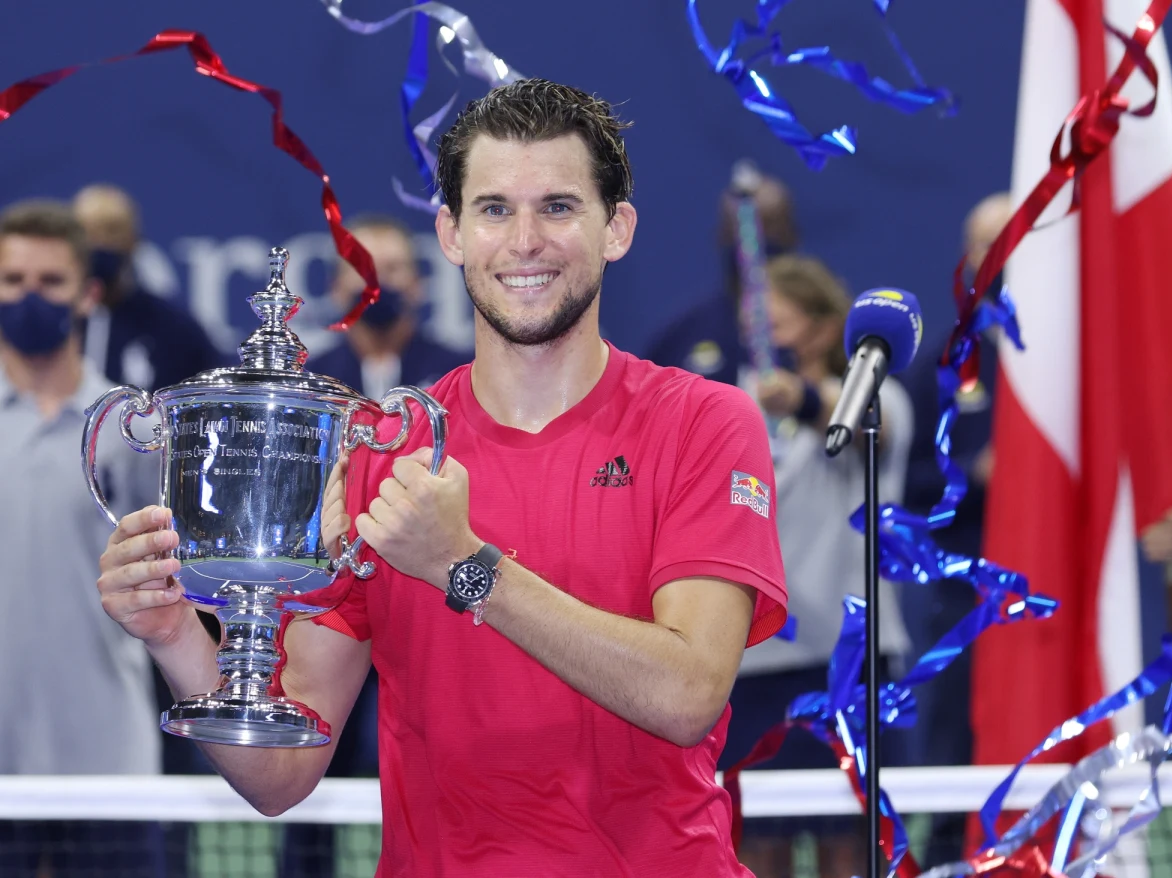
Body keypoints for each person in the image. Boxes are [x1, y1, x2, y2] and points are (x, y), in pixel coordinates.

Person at [96, 79, 789, 876]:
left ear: (617, 229)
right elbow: (281, 775)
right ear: (452, 234)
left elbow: (687, 694)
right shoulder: (378, 446)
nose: (525, 240)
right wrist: (177, 635)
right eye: (494, 209)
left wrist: (464, 565)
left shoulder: (703, 422)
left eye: (559, 206)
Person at [284, 213, 469, 878]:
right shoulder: (306, 387)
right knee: (303, 756)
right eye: (363, 274)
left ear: (420, 285)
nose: (378, 286)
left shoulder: (459, 382)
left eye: (392, 273)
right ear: (336, 288)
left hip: (420, 610)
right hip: (320, 611)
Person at [717, 255, 913, 878]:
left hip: (850, 665)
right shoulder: (731, 412)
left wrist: (800, 396)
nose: (762, 332)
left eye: (777, 320)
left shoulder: (882, 406)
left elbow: (837, 415)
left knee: (850, 848)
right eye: (755, 321)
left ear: (826, 330)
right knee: (756, 846)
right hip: (753, 667)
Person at [0, 199, 163, 876]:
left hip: (108, 760)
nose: (29, 297)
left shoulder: (132, 429)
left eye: (50, 282)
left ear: (89, 293)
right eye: (12, 282)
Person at [898, 191, 1010, 865]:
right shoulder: (943, 367)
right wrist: (976, 472)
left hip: (1055, 586)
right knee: (953, 741)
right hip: (961, 592)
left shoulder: (1076, 359)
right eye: (985, 245)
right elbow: (906, 482)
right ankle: (944, 857)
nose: (999, 261)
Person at [644, 168, 799, 385]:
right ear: (722, 235)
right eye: (739, 226)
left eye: (769, 225)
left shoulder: (819, 329)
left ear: (790, 234)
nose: (752, 241)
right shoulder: (685, 334)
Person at [73, 183, 226, 391]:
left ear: (134, 240)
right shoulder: (58, 321)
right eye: (87, 231)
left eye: (112, 230)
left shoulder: (173, 326)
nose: (100, 242)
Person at [306, 212, 469, 398]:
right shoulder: (314, 382)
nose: (377, 281)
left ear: (417, 285)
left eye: (392, 268)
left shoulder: (457, 377)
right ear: (336, 287)